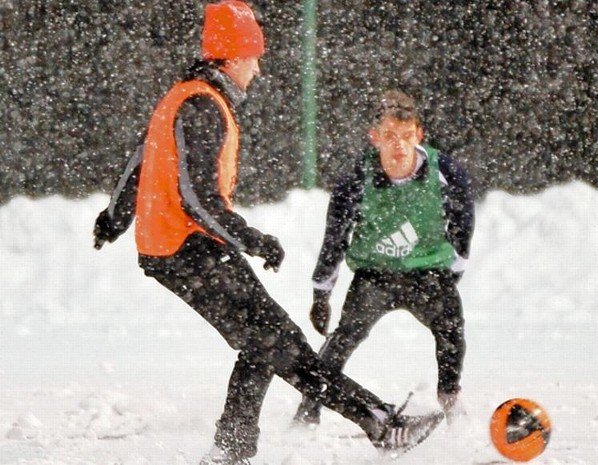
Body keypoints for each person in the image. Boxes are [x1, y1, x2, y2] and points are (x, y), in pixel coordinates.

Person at [92, 3, 443, 464]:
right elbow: (196, 200)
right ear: (233, 57)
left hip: (185, 248)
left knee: (268, 341)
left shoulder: (183, 97)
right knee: (279, 344)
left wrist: (115, 218)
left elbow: (141, 159)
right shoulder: (202, 105)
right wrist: (252, 239)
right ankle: (379, 423)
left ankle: (233, 450)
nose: (258, 69)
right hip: (187, 250)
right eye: (254, 57)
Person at [293, 89, 475, 428]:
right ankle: (309, 408)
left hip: (427, 271)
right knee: (343, 339)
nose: (399, 145)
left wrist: (454, 270)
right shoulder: (355, 180)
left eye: (407, 136)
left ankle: (450, 398)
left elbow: (463, 223)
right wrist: (321, 293)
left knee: (451, 329)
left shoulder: (445, 171)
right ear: (374, 137)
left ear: (419, 134)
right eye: (389, 136)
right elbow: (334, 239)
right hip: (374, 275)